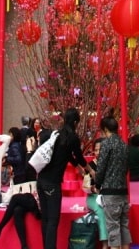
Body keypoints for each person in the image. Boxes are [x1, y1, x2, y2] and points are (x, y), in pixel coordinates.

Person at [37, 107, 88, 249]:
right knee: (53, 221)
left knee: (46, 220)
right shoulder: (73, 137)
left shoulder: (57, 135)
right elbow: (78, 156)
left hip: (41, 180)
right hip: (52, 184)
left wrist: (77, 166)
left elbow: (68, 156)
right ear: (76, 122)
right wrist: (88, 169)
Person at [92, 116, 131, 249]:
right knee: (124, 226)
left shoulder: (106, 144)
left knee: (113, 228)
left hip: (110, 191)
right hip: (123, 191)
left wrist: (97, 184)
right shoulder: (124, 145)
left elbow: (101, 167)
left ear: (106, 129)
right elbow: (126, 168)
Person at [85, 137, 108, 249]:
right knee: (101, 211)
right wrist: (93, 189)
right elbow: (85, 186)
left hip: (108, 196)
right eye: (96, 150)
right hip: (93, 197)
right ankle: (105, 244)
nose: (98, 152)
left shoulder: (109, 165)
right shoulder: (90, 166)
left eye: (101, 150)